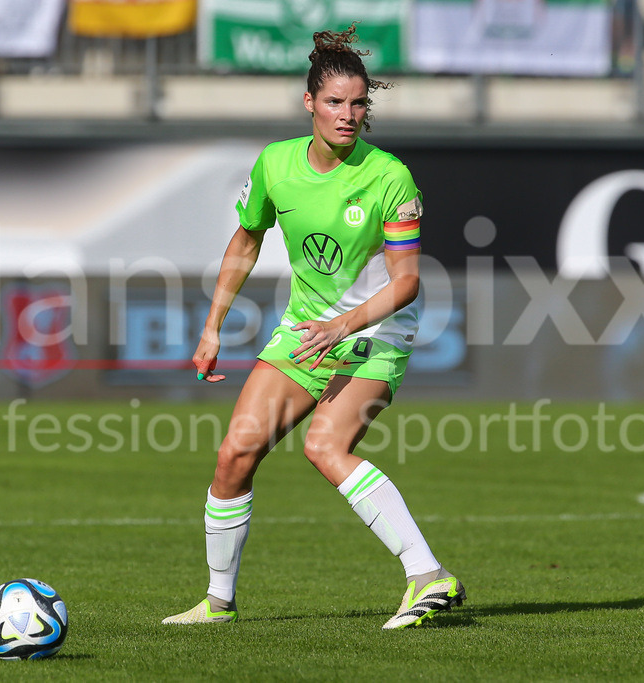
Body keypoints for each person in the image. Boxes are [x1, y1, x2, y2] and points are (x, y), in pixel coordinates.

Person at [161, 24, 464, 630]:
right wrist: (212, 325)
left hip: (377, 331)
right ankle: (218, 603)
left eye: (358, 104)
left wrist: (345, 324)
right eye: (335, 102)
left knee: (325, 445)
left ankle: (428, 576)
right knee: (234, 456)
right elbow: (246, 240)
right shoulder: (276, 165)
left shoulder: (389, 177)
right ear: (310, 104)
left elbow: (406, 282)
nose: (348, 115)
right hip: (306, 329)